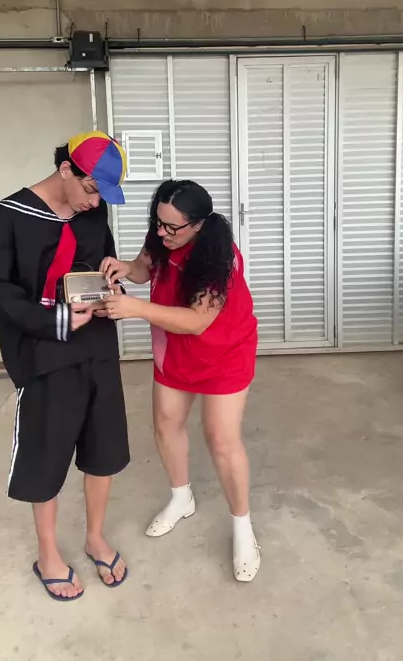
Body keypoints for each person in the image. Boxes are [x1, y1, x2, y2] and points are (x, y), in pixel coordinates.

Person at [0, 131, 130, 601]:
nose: (94, 203)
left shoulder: (92, 212)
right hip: (43, 351)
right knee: (46, 450)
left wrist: (112, 285)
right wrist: (55, 320)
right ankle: (47, 553)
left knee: (103, 446)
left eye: (102, 196)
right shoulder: (7, 215)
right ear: (66, 169)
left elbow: (96, 263)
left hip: (97, 343)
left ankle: (95, 537)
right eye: (90, 189)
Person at [102, 179, 260, 582]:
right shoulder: (162, 236)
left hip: (224, 351)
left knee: (221, 438)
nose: (162, 233)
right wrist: (127, 268)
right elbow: (145, 267)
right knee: (166, 423)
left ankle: (243, 527)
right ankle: (181, 497)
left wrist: (136, 308)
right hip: (174, 348)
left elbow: (197, 321)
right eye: (158, 222)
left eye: (172, 227)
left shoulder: (219, 256)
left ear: (199, 224)